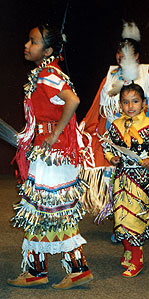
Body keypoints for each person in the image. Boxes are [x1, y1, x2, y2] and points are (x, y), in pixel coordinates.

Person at [7, 24, 93, 289]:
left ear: (49, 50)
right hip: (47, 154)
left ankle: (49, 270)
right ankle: (50, 269)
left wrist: (54, 134)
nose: (27, 45)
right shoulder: (44, 73)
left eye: (33, 41)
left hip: (52, 156)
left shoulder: (48, 74)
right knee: (45, 211)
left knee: (44, 209)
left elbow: (73, 100)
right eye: (28, 40)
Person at [79, 20, 149, 218]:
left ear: (137, 56)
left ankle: (137, 222)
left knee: (140, 183)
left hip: (141, 141)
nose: (121, 56)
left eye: (127, 53)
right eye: (119, 52)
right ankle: (121, 222)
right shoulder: (110, 77)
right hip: (115, 138)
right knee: (116, 183)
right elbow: (97, 109)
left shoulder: (147, 76)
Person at [101, 82, 149, 277]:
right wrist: (111, 158)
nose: (130, 106)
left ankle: (137, 260)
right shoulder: (116, 125)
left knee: (136, 217)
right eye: (125, 102)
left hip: (142, 178)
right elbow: (107, 146)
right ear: (120, 105)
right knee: (121, 216)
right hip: (121, 178)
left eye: (135, 101)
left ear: (143, 103)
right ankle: (127, 251)